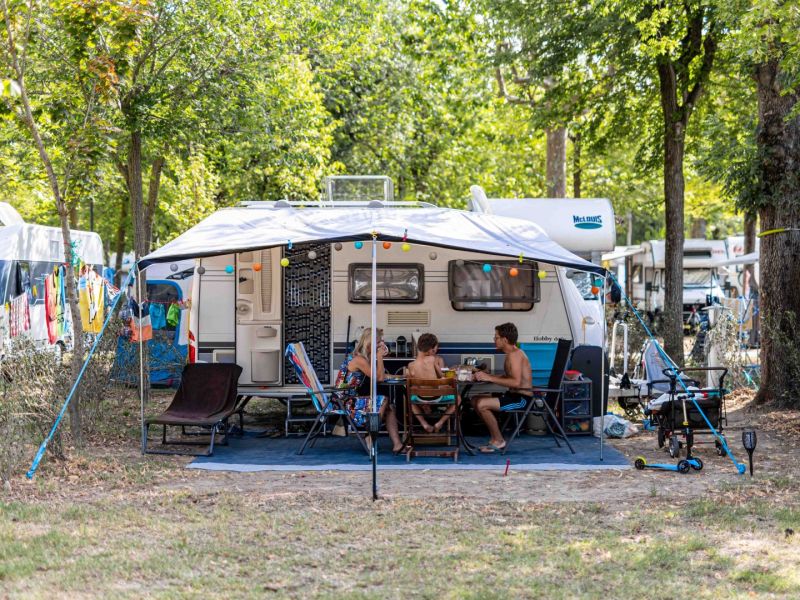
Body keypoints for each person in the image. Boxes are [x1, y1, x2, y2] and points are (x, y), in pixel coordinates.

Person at [471, 322, 533, 453]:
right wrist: (488, 376)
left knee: (481, 404)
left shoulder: (515, 355)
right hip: (513, 396)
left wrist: (489, 378)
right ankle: (495, 438)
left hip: (522, 400)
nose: (494, 339)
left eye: (496, 337)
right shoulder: (511, 354)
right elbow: (508, 377)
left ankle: (498, 440)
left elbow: (516, 383)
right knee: (475, 400)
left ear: (505, 339)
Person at [346, 328, 405, 454]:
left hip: (356, 396)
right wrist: (379, 356)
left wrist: (401, 377)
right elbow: (379, 378)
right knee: (384, 399)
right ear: (369, 342)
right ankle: (370, 436)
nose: (381, 344)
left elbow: (378, 375)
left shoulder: (366, 357)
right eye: (378, 342)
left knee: (390, 407)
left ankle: (397, 445)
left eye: (381, 341)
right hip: (346, 401)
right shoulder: (359, 359)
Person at [406, 333, 456, 433]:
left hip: (420, 398)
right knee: (458, 398)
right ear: (430, 349)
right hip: (436, 397)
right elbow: (442, 376)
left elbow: (413, 384)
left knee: (410, 399)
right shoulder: (433, 359)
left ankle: (424, 423)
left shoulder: (411, 365)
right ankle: (440, 423)